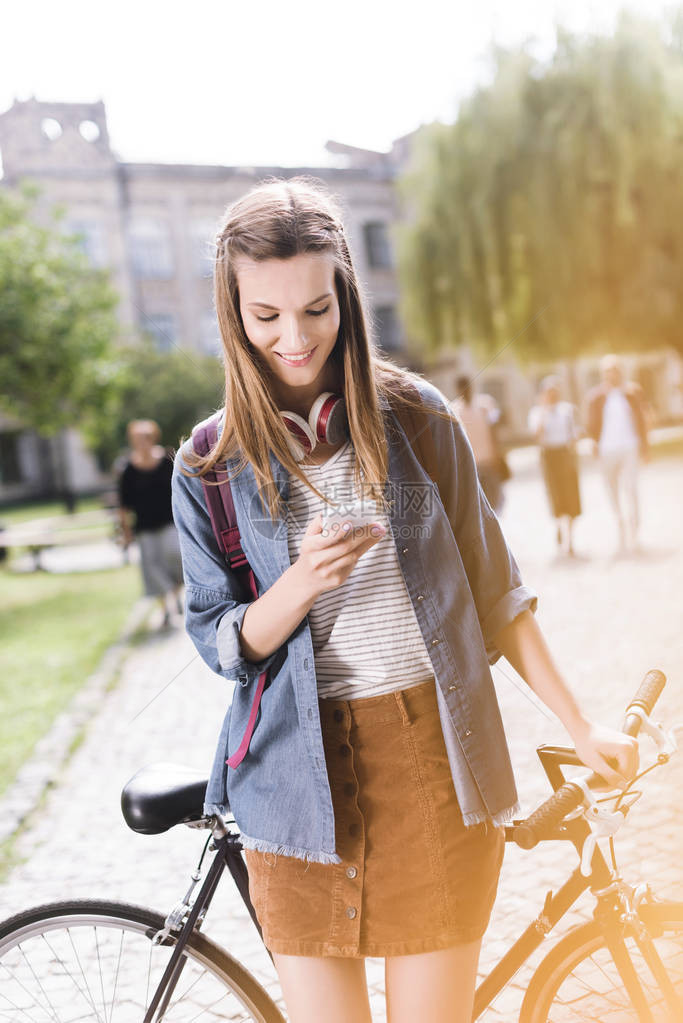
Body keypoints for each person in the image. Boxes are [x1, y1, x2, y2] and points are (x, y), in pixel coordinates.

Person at [171, 179, 638, 1023]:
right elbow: (220, 640)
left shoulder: (418, 421)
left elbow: (498, 593)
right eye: (265, 315)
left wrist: (579, 724)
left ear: (344, 290)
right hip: (291, 788)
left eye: (316, 308)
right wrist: (301, 582)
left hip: (429, 766)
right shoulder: (210, 464)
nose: (294, 337)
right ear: (231, 308)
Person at [117, 419, 184, 627]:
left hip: (170, 522)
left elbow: (182, 491)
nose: (141, 442)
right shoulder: (128, 470)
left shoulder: (167, 460)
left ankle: (177, 596)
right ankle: (165, 609)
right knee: (152, 568)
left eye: (145, 437)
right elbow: (123, 506)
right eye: (137, 438)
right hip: (145, 527)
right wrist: (126, 533)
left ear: (153, 437)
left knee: (176, 557)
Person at [586, 355, 650, 554]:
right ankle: (620, 524)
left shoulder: (631, 393)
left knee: (631, 488)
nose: (611, 374)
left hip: (629, 446)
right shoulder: (596, 397)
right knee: (611, 491)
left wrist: (646, 448)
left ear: (620, 371)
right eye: (607, 371)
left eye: (614, 370)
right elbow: (591, 424)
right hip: (607, 449)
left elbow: (642, 420)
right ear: (603, 374)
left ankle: (635, 531)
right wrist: (593, 444)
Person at [527, 376, 582, 557]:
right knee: (555, 494)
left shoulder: (567, 410)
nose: (552, 396)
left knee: (571, 496)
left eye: (555, 393)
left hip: (565, 453)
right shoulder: (537, 413)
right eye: (549, 393)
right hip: (549, 455)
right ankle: (559, 526)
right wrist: (544, 411)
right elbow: (537, 435)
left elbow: (574, 435)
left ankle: (571, 538)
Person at [451, 375, 506, 514]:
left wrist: (498, 453)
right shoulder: (454, 410)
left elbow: (495, 429)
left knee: (495, 501)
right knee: (480, 504)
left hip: (489, 461)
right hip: (471, 465)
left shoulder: (485, 404)